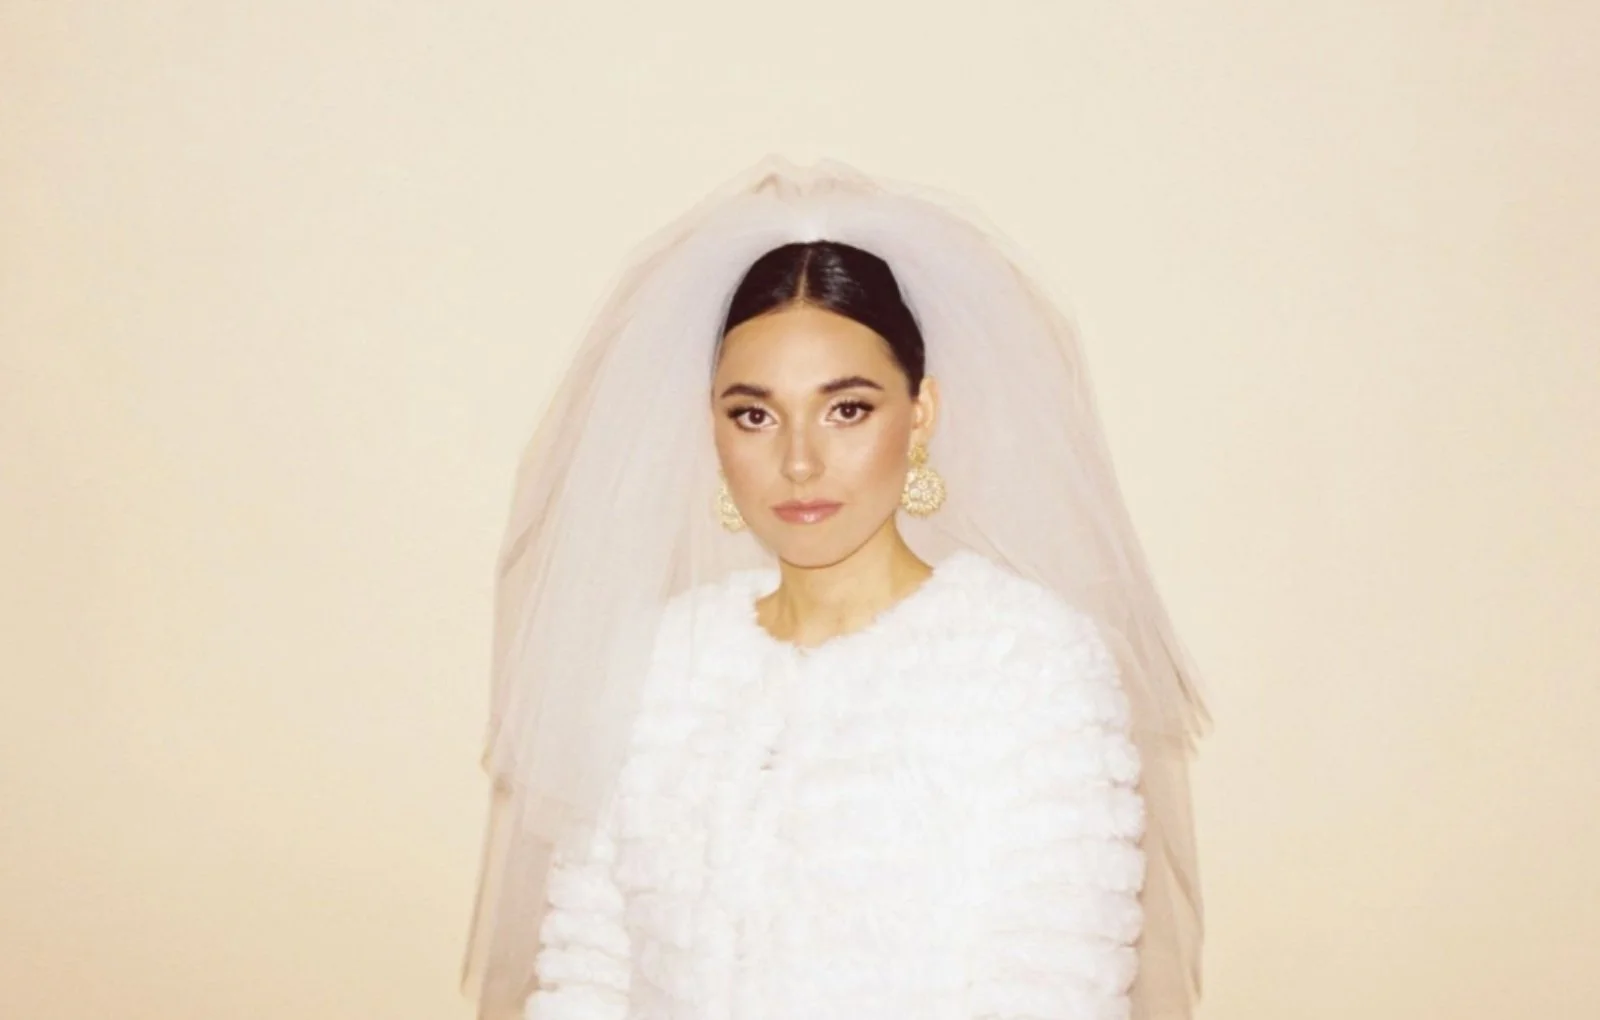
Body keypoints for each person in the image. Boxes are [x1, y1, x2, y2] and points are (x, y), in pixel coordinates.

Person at [463, 158, 1209, 1020]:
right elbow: (587, 970)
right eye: (754, 414)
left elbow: (1055, 987)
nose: (799, 460)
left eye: (846, 408)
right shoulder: (653, 663)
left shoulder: (1026, 662)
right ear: (712, 427)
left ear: (920, 414)